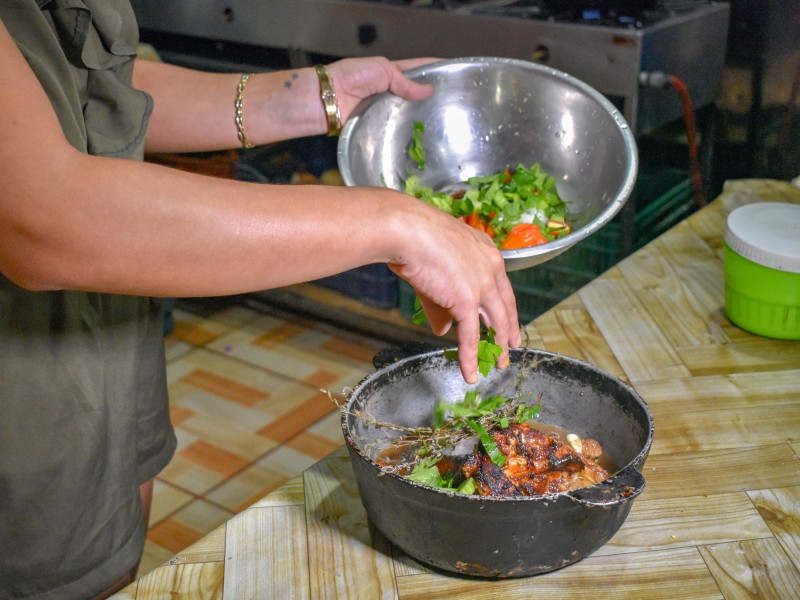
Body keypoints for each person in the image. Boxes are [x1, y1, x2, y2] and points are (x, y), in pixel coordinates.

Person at [0, 1, 521, 598]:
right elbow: (43, 219)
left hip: (104, 332)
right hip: (18, 385)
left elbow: (91, 91)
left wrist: (316, 97)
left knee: (110, 566)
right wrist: (392, 224)